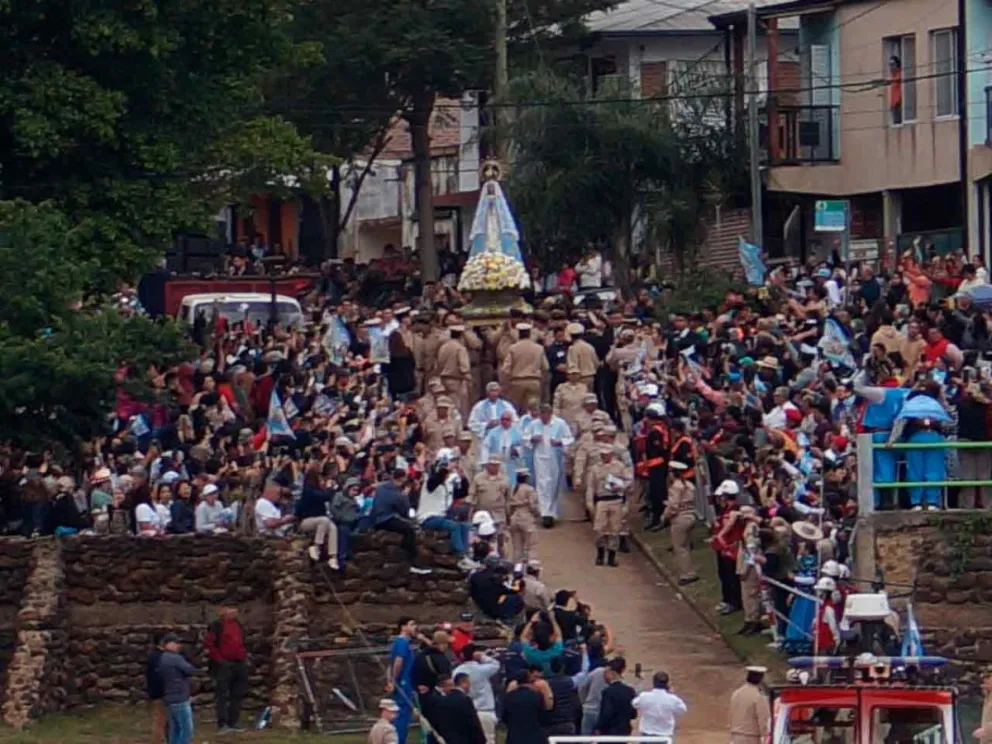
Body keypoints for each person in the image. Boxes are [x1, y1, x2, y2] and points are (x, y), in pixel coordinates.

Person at [372, 469, 432, 574]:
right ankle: (413, 561)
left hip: (375, 518)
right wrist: (405, 496)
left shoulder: (381, 488)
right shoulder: (398, 494)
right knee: (409, 530)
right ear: (403, 478)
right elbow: (406, 512)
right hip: (386, 519)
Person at [524, 403, 574, 527]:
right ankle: (545, 513)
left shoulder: (560, 423)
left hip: (555, 458)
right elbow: (525, 437)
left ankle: (553, 512)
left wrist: (560, 442)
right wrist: (532, 439)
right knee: (542, 484)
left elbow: (569, 438)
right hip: (540, 458)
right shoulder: (534, 424)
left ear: (550, 414)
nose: (544, 417)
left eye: (546, 414)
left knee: (553, 484)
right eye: (542, 415)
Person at [204, 606, 249, 733]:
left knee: (237, 693)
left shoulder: (238, 625)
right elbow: (210, 644)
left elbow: (242, 642)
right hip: (224, 664)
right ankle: (222, 723)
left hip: (239, 663)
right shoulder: (217, 626)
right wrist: (220, 660)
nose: (234, 612)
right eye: (230, 610)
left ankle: (233, 721)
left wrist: (243, 657)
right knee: (222, 694)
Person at [588, 445, 628, 567]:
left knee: (614, 530)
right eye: (602, 455)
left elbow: (628, 481)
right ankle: (600, 554)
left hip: (616, 500)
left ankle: (612, 556)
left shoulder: (620, 467)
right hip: (602, 500)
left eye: (606, 454)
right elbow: (591, 486)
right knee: (599, 529)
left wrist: (621, 487)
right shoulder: (595, 468)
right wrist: (589, 502)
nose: (604, 457)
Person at [452, 643, 500, 744]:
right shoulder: (483, 669)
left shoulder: (457, 671)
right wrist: (483, 656)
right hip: (485, 710)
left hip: (466, 710)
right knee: (488, 740)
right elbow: (496, 664)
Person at [157, 632, 196, 744]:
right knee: (186, 729)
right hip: (179, 697)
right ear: (168, 644)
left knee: (175, 729)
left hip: (170, 696)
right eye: (175, 643)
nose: (178, 645)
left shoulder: (163, 657)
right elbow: (190, 670)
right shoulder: (175, 658)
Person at [664, 461, 698, 585]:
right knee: (686, 546)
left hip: (680, 518)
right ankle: (690, 570)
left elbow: (673, 506)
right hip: (691, 516)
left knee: (680, 547)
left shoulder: (675, 487)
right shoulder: (689, 485)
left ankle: (687, 574)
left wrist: (665, 516)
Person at [387, 617, 418, 744]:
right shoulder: (402, 642)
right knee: (402, 715)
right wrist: (394, 680)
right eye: (412, 624)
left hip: (405, 682)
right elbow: (398, 662)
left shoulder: (403, 643)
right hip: (404, 683)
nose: (415, 627)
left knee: (403, 714)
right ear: (403, 627)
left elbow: (391, 663)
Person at [434, 673, 488, 744]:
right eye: (469, 683)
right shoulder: (465, 700)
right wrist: (481, 740)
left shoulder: (442, 701)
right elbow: (473, 723)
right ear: (463, 682)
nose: (469, 686)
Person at [632, 671, 687, 738]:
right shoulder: (672, 699)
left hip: (647, 735)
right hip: (665, 735)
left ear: (653, 683)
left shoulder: (644, 696)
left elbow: (634, 703)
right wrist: (671, 694)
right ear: (667, 684)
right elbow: (682, 710)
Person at [502, 669, 548, 744]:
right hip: (534, 737)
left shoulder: (509, 697)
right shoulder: (537, 696)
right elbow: (543, 717)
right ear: (529, 679)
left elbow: (504, 718)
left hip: (514, 737)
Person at [594, 657, 636, 735]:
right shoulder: (630, 691)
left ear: (612, 673)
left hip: (609, 732)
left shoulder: (608, 692)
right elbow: (633, 714)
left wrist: (598, 727)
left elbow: (606, 713)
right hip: (624, 731)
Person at [729, 666, 770, 744]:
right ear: (761, 679)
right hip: (751, 738)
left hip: (735, 736)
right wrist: (764, 735)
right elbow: (763, 719)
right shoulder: (759, 696)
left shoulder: (736, 693)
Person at [507, 468, 540, 563]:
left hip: (514, 518)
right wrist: (537, 515)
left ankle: (517, 568)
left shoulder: (513, 489)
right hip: (526, 518)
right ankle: (532, 569)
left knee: (517, 548)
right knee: (532, 546)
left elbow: (510, 507)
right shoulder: (529, 489)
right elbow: (532, 505)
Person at [146, 634, 167, 744]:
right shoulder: (159, 656)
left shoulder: (153, 656)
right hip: (161, 693)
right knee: (160, 720)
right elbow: (157, 676)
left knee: (163, 720)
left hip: (157, 692)